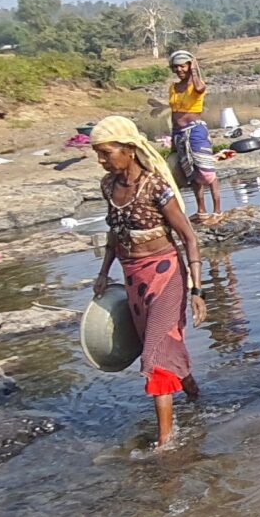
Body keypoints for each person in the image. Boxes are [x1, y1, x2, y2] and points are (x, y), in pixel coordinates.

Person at [90, 114, 204, 447]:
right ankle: (194, 393)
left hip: (166, 276)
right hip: (133, 278)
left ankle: (165, 441)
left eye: (106, 153)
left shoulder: (155, 186)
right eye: (98, 153)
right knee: (162, 346)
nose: (101, 160)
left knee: (153, 355)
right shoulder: (109, 187)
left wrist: (197, 291)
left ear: (128, 149)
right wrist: (103, 272)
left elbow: (189, 238)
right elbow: (115, 233)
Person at [164, 49, 222, 219]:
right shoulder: (173, 88)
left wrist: (195, 68)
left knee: (206, 172)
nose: (179, 70)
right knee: (192, 174)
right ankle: (201, 210)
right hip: (179, 133)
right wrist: (174, 139)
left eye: (183, 66)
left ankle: (218, 210)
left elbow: (199, 87)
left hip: (195, 130)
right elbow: (174, 114)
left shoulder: (197, 85)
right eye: (176, 67)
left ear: (189, 66)